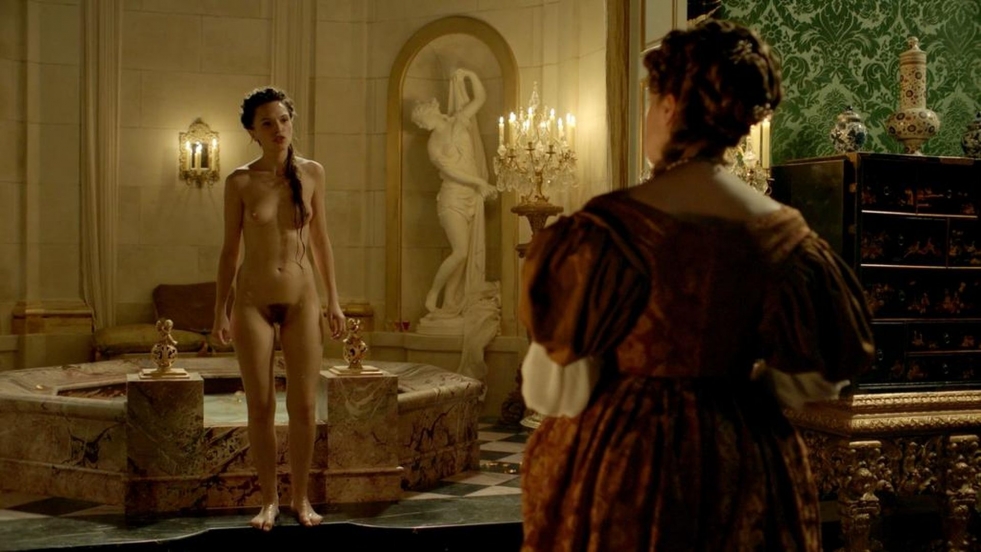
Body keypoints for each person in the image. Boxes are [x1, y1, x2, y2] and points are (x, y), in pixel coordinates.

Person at [517, 20, 874, 551]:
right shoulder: (784, 234)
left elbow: (555, 388)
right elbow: (816, 377)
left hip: (627, 463)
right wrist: (740, 392)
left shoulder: (606, 230)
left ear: (668, 107)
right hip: (744, 460)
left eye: (652, 100)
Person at [212, 87, 345, 531]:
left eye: (283, 120)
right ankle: (268, 501)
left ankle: (300, 498)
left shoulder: (312, 173)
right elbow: (229, 251)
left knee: (304, 406)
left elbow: (321, 241)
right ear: (252, 131)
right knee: (261, 405)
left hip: (303, 300)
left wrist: (334, 300)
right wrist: (219, 310)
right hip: (252, 303)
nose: (278, 129)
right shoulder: (239, 182)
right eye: (266, 123)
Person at [410, 68, 501, 381]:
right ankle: (432, 295)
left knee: (464, 259)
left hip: (470, 197)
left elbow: (480, 98)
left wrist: (469, 75)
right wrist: (479, 183)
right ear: (425, 122)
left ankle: (450, 305)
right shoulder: (433, 145)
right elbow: (452, 173)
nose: (430, 113)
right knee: (460, 251)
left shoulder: (460, 120)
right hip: (451, 198)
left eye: (429, 109)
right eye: (425, 114)